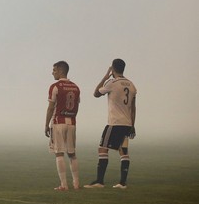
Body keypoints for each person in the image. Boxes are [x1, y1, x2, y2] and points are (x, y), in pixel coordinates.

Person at [84, 59, 138, 189]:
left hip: (115, 123)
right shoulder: (131, 85)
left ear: (113, 69)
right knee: (123, 151)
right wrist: (132, 125)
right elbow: (133, 107)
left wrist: (105, 76)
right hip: (127, 123)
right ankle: (122, 183)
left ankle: (99, 181)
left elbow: (96, 93)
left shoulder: (112, 83)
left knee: (102, 148)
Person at [45, 61, 81, 191]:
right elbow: (77, 105)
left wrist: (46, 124)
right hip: (72, 122)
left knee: (59, 153)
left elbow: (50, 108)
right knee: (72, 153)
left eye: (54, 70)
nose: (52, 72)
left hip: (58, 121)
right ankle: (76, 184)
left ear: (60, 71)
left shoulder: (55, 86)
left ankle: (64, 185)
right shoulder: (76, 87)